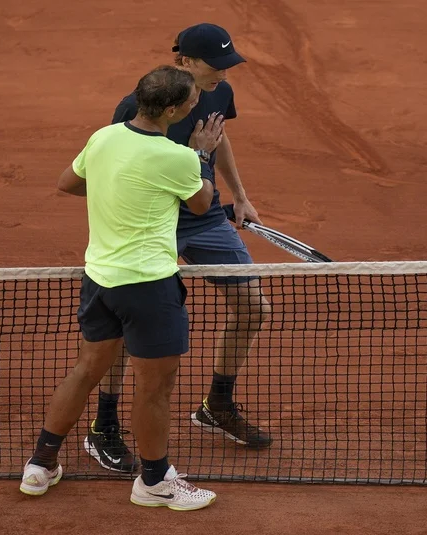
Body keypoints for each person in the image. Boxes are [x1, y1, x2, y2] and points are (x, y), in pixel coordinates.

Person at [20, 65, 225, 511]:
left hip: (99, 281)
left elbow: (68, 183)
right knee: (154, 389)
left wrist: (118, 190)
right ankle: (153, 482)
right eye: (190, 100)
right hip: (148, 287)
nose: (196, 104)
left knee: (86, 369)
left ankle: (40, 466)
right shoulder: (178, 157)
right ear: (170, 109)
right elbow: (202, 202)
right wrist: (203, 156)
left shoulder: (104, 137)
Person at [84, 23, 273, 475]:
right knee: (129, 325)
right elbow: (120, 167)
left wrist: (241, 196)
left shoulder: (217, 93)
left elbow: (218, 137)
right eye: (216, 66)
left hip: (203, 213)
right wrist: (197, 162)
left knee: (252, 306)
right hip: (155, 219)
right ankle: (103, 426)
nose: (224, 74)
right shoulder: (136, 107)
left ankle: (217, 404)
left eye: (229, 65)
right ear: (184, 62)